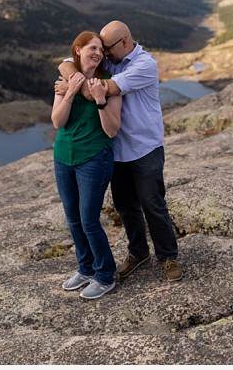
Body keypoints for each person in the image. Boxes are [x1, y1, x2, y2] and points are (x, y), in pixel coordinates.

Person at [57, 21, 183, 283]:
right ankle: (138, 253)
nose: (103, 53)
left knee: (152, 203)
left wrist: (73, 87)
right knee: (126, 207)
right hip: (117, 150)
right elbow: (67, 62)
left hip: (144, 147)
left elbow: (106, 90)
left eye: (107, 48)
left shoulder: (144, 65)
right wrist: (72, 76)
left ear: (124, 42)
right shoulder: (112, 60)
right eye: (100, 48)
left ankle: (168, 256)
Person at [51, 30, 123, 300]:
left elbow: (113, 130)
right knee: (72, 218)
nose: (97, 53)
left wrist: (102, 101)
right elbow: (57, 122)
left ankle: (105, 275)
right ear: (78, 50)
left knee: (89, 219)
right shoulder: (65, 79)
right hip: (64, 155)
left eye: (101, 50)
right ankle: (86, 268)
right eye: (92, 48)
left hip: (94, 156)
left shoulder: (109, 84)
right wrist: (70, 91)